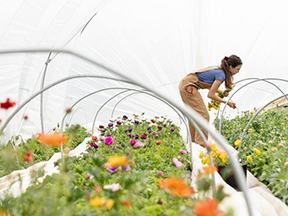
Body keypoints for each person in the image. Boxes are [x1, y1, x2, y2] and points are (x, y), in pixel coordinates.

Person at [178, 55, 242, 147]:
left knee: (193, 115)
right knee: (204, 116)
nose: (238, 72)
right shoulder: (221, 74)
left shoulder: (219, 70)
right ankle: (201, 145)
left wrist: (221, 91)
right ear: (231, 67)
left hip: (186, 84)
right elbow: (211, 95)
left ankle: (193, 143)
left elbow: (207, 84)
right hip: (189, 87)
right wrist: (227, 103)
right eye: (237, 69)